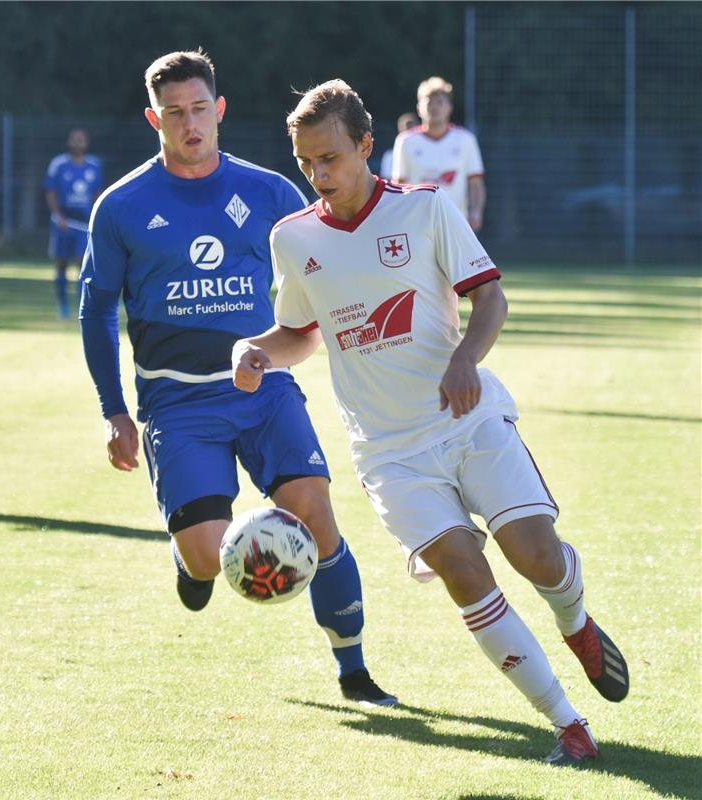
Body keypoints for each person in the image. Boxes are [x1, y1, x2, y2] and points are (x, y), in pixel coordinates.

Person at [232, 79, 629, 765]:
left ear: (365, 145)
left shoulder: (424, 210)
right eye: (304, 163)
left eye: (329, 158)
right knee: (463, 570)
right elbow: (301, 333)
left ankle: (576, 623)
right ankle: (566, 724)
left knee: (534, 555)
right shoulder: (292, 239)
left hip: (466, 419)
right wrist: (254, 353)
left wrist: (466, 360)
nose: (317, 176)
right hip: (388, 452)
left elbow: (491, 299)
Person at [78, 51, 396, 707]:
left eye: (199, 109)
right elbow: (95, 309)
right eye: (174, 113)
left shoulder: (272, 193)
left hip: (264, 387)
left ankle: (355, 674)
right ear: (153, 118)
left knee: (313, 511)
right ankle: (187, 561)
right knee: (204, 557)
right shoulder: (121, 206)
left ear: (218, 110)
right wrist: (114, 410)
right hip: (175, 404)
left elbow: (333, 257)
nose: (189, 122)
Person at [391, 76, 485, 231]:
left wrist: (476, 212)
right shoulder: (405, 141)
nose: (434, 107)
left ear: (449, 107)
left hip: (456, 224)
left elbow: (475, 183)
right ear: (418, 107)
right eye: (429, 102)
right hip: (417, 225)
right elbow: (399, 185)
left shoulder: (465, 139)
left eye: (440, 102)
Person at [44, 128, 103, 319]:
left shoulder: (94, 166)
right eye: (74, 139)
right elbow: (50, 192)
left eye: (81, 140)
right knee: (61, 264)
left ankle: (81, 307)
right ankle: (62, 305)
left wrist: (97, 219)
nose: (78, 143)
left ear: (86, 143)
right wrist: (58, 216)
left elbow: (97, 195)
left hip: (84, 226)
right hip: (63, 223)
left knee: (82, 263)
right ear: (69, 142)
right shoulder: (58, 164)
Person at [378, 111, 419, 179]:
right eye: (406, 128)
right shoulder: (389, 155)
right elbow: (386, 178)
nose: (408, 132)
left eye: (411, 128)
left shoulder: (429, 150)